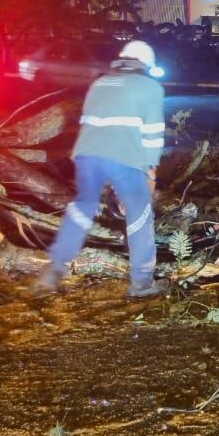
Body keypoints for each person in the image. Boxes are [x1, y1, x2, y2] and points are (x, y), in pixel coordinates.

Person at [33, 40, 167, 298]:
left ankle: (54, 269)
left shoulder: (100, 83)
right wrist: (150, 173)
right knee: (139, 214)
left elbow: (88, 124)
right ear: (145, 66)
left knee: (82, 208)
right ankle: (142, 283)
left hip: (86, 156)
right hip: (124, 157)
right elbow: (152, 136)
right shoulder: (150, 88)